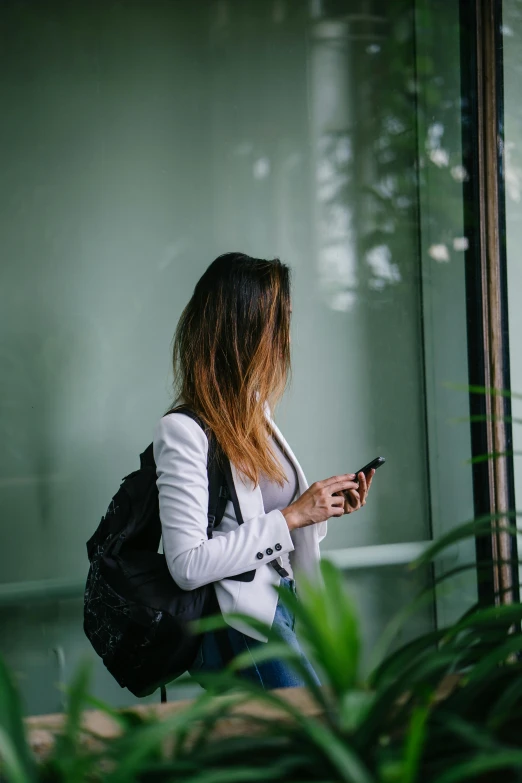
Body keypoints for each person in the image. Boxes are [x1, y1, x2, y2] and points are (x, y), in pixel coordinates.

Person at [152, 252, 374, 690]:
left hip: (280, 605)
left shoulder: (255, 412)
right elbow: (186, 564)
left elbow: (262, 523)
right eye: (278, 320)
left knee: (294, 749)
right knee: (316, 741)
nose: (286, 336)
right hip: (240, 626)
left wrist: (319, 509)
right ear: (243, 327)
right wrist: (293, 515)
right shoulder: (182, 431)